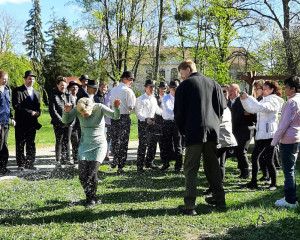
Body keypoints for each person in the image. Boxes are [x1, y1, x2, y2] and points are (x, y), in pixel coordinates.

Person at [174, 60, 227, 215]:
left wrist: (184, 131)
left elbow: (178, 113)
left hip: (193, 130)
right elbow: (222, 107)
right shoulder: (215, 84)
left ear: (188, 70)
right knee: (212, 167)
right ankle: (220, 200)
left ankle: (189, 206)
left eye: (182, 73)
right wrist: (215, 124)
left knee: (191, 168)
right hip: (212, 131)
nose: (182, 77)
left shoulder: (184, 86)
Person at [63, 97, 120, 207]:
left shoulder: (99, 107)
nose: (84, 115)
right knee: (82, 175)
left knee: (92, 173)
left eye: (86, 113)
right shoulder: (78, 108)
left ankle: (91, 198)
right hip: (84, 145)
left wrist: (116, 107)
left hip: (99, 145)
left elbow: (115, 116)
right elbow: (65, 120)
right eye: (82, 113)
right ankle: (89, 195)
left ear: (91, 108)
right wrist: (66, 111)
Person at [241, 81, 284, 190]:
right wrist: (244, 100)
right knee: (255, 157)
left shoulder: (274, 100)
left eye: (265, 89)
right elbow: (252, 109)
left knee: (269, 160)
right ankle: (253, 182)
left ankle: (273, 184)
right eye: (263, 88)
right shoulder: (264, 100)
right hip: (261, 135)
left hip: (270, 135)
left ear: (272, 90)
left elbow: (262, 108)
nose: (263, 91)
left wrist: (249, 98)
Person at [272, 76, 300, 208]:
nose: (284, 89)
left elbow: (283, 125)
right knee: (292, 169)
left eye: (286, 87)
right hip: (297, 138)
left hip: (288, 140)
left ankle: (290, 200)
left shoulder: (291, 103)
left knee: (288, 170)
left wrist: (274, 142)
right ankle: (291, 196)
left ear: (293, 88)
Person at [203, 89, 237, 195]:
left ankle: (216, 187)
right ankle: (216, 186)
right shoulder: (224, 106)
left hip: (221, 139)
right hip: (223, 138)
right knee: (219, 164)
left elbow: (214, 122)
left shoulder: (219, 107)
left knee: (216, 164)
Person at [12, 70, 41, 171]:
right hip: (21, 122)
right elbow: (16, 106)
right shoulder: (17, 91)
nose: (31, 81)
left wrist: (38, 112)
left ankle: (30, 163)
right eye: (29, 79)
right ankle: (21, 164)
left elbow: (38, 106)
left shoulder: (37, 93)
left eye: (33, 79)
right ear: (25, 79)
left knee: (31, 143)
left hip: (32, 123)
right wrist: (30, 112)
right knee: (20, 143)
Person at [110, 71, 136, 174]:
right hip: (124, 117)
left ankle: (115, 158)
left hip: (114, 116)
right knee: (124, 142)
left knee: (115, 139)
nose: (132, 82)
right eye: (130, 79)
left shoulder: (113, 89)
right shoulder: (128, 91)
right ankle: (120, 165)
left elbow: (110, 104)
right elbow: (131, 107)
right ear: (124, 79)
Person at [228, 84, 256, 179]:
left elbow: (254, 114)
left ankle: (246, 171)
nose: (229, 92)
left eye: (232, 90)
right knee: (237, 151)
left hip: (245, 130)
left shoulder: (243, 101)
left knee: (241, 151)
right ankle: (242, 171)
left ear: (237, 91)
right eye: (229, 90)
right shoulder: (229, 102)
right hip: (235, 130)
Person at [135, 79, 162, 172]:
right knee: (143, 144)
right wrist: (146, 119)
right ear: (145, 88)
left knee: (153, 144)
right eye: (150, 87)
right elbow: (138, 113)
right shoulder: (140, 99)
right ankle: (140, 166)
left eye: (153, 87)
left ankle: (149, 162)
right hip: (143, 123)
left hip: (153, 123)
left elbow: (158, 110)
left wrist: (166, 113)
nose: (152, 89)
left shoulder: (154, 99)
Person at [49, 76, 75, 166]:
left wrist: (68, 121)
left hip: (69, 122)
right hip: (58, 122)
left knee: (67, 140)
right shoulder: (54, 95)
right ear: (57, 85)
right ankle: (58, 160)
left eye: (64, 85)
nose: (63, 87)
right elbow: (53, 110)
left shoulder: (69, 94)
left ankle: (67, 159)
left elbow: (74, 109)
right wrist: (61, 122)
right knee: (59, 140)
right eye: (61, 85)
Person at [160, 79, 183, 173]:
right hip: (167, 122)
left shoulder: (181, 98)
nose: (175, 90)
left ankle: (178, 165)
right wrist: (179, 112)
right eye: (173, 88)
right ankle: (166, 163)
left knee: (178, 144)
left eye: (176, 88)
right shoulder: (166, 98)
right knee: (166, 144)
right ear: (170, 89)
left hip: (177, 122)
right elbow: (169, 110)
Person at [0, 70, 16, 175]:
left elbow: (8, 106)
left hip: (6, 121)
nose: (6, 80)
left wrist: (12, 118)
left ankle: (3, 167)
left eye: (7, 78)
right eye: (4, 78)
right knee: (0, 145)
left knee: (4, 144)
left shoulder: (6, 89)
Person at [104, 81, 119, 161]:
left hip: (117, 120)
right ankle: (107, 153)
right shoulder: (110, 94)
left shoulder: (120, 94)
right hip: (109, 120)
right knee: (109, 137)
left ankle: (115, 152)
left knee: (116, 137)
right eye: (115, 86)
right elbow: (107, 105)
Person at [67, 80, 80, 164]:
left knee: (76, 141)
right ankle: (66, 158)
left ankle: (76, 157)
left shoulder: (79, 98)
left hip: (77, 123)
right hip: (69, 122)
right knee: (67, 141)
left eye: (76, 87)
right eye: (72, 87)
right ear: (69, 88)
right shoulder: (67, 98)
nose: (74, 89)